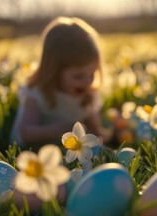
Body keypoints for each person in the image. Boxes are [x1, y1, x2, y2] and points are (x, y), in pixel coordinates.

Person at [10, 16, 112, 149]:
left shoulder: (88, 94)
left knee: (98, 150)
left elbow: (96, 133)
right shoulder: (38, 93)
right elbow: (25, 132)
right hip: (30, 150)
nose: (87, 82)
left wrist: (116, 132)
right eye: (78, 76)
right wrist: (58, 130)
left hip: (66, 150)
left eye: (92, 74)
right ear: (54, 71)